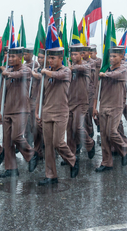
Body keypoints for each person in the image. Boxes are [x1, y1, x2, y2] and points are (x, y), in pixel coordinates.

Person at [36, 47, 79, 185]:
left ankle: (73, 161)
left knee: (58, 142)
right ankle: (51, 175)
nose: (50, 60)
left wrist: (45, 72)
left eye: (53, 58)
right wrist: (38, 112)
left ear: (61, 59)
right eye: (49, 58)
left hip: (60, 112)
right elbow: (40, 95)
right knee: (48, 145)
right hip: (47, 112)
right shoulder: (46, 74)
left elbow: (59, 76)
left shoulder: (66, 71)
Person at [0, 47, 38, 177]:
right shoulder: (7, 72)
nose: (11, 59)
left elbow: (19, 74)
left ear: (20, 57)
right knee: (7, 141)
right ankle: (11, 168)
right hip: (8, 109)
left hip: (21, 110)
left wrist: (7, 73)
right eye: (9, 57)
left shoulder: (26, 70)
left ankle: (31, 155)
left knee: (17, 136)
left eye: (14, 57)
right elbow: (2, 93)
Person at [93, 46, 127, 171]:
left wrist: (105, 74)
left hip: (116, 105)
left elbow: (115, 75)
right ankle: (106, 162)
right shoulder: (105, 70)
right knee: (104, 135)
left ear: (121, 57)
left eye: (115, 56)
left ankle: (124, 148)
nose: (111, 58)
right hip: (104, 104)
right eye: (110, 56)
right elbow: (97, 90)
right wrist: (95, 107)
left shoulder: (123, 70)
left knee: (112, 132)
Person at [65, 44, 95, 162]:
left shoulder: (86, 65)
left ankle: (90, 143)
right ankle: (71, 155)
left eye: (75, 54)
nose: (73, 56)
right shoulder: (69, 67)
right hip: (70, 101)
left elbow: (82, 69)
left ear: (82, 55)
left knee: (77, 127)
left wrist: (71, 68)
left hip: (81, 102)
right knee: (69, 130)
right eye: (72, 54)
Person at [30, 49, 45, 159]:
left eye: (42, 57)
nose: (39, 59)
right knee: (34, 128)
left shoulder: (48, 70)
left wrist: (34, 74)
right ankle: (37, 151)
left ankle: (49, 149)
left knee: (43, 128)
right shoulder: (35, 70)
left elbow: (42, 77)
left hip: (45, 103)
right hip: (35, 101)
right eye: (38, 57)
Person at [24, 47, 39, 145]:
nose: (24, 56)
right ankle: (28, 143)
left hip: (34, 96)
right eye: (23, 54)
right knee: (27, 123)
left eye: (26, 54)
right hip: (26, 98)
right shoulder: (24, 65)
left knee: (34, 124)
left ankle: (36, 145)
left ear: (32, 55)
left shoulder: (34, 64)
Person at [82, 46, 96, 138]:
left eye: (84, 52)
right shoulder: (79, 63)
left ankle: (90, 133)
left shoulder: (92, 63)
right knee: (84, 114)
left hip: (91, 91)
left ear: (89, 53)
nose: (83, 54)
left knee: (89, 112)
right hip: (82, 91)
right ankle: (86, 133)